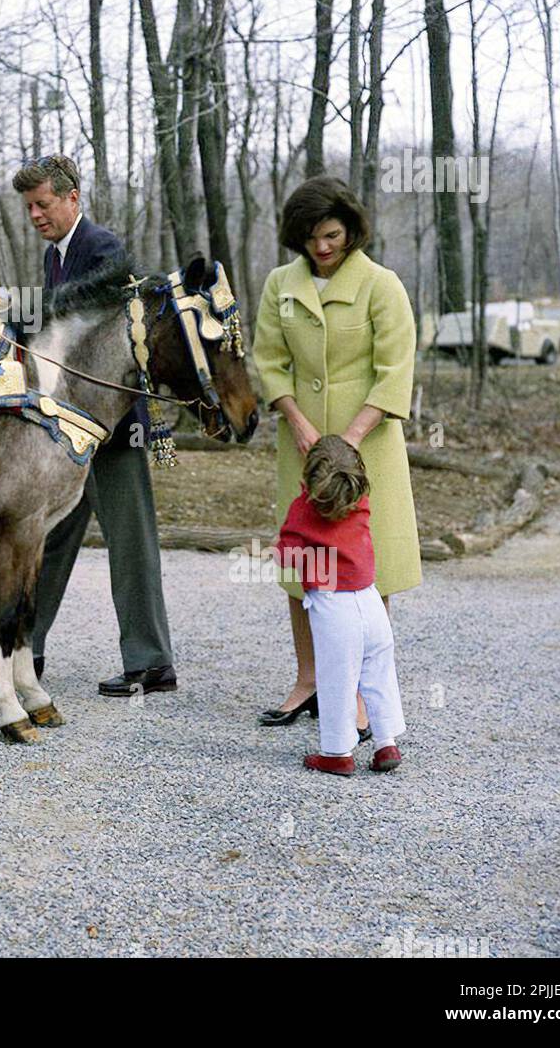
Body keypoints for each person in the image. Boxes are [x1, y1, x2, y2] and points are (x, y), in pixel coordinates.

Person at [0, 154, 176, 696]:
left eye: (43, 203)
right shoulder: (53, 257)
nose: (35, 214)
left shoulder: (102, 248)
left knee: (130, 539)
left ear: (72, 197)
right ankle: (21, 649)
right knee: (47, 535)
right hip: (71, 423)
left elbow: (77, 314)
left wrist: (17, 308)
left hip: (114, 422)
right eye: (29, 206)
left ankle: (151, 661)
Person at [252, 174, 421, 732]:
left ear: (350, 230)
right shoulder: (281, 284)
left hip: (368, 447)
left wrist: (350, 437)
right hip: (299, 446)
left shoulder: (382, 285)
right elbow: (269, 360)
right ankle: (311, 682)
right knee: (305, 562)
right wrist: (297, 422)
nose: (322, 248)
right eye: (310, 238)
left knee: (367, 569)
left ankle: (364, 694)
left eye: (331, 234)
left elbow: (395, 370)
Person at [274, 434, 405, 775]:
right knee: (378, 675)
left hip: (334, 609)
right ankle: (385, 743)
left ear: (309, 478)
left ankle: (336, 753)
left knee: (336, 678)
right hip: (371, 602)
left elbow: (285, 555)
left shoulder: (302, 509)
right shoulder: (360, 505)